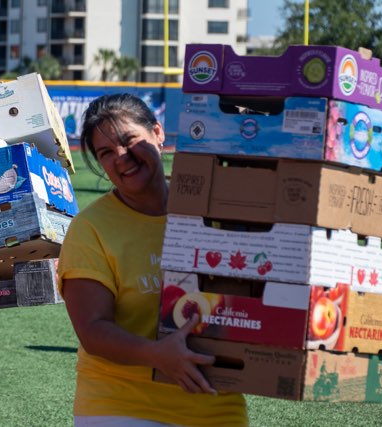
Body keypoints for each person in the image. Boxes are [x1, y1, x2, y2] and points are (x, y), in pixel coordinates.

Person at [58, 93, 248, 427]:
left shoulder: (214, 210)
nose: (121, 157)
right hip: (121, 406)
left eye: (129, 140)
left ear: (158, 133)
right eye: (105, 153)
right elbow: (92, 329)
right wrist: (158, 355)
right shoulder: (90, 228)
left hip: (217, 405)